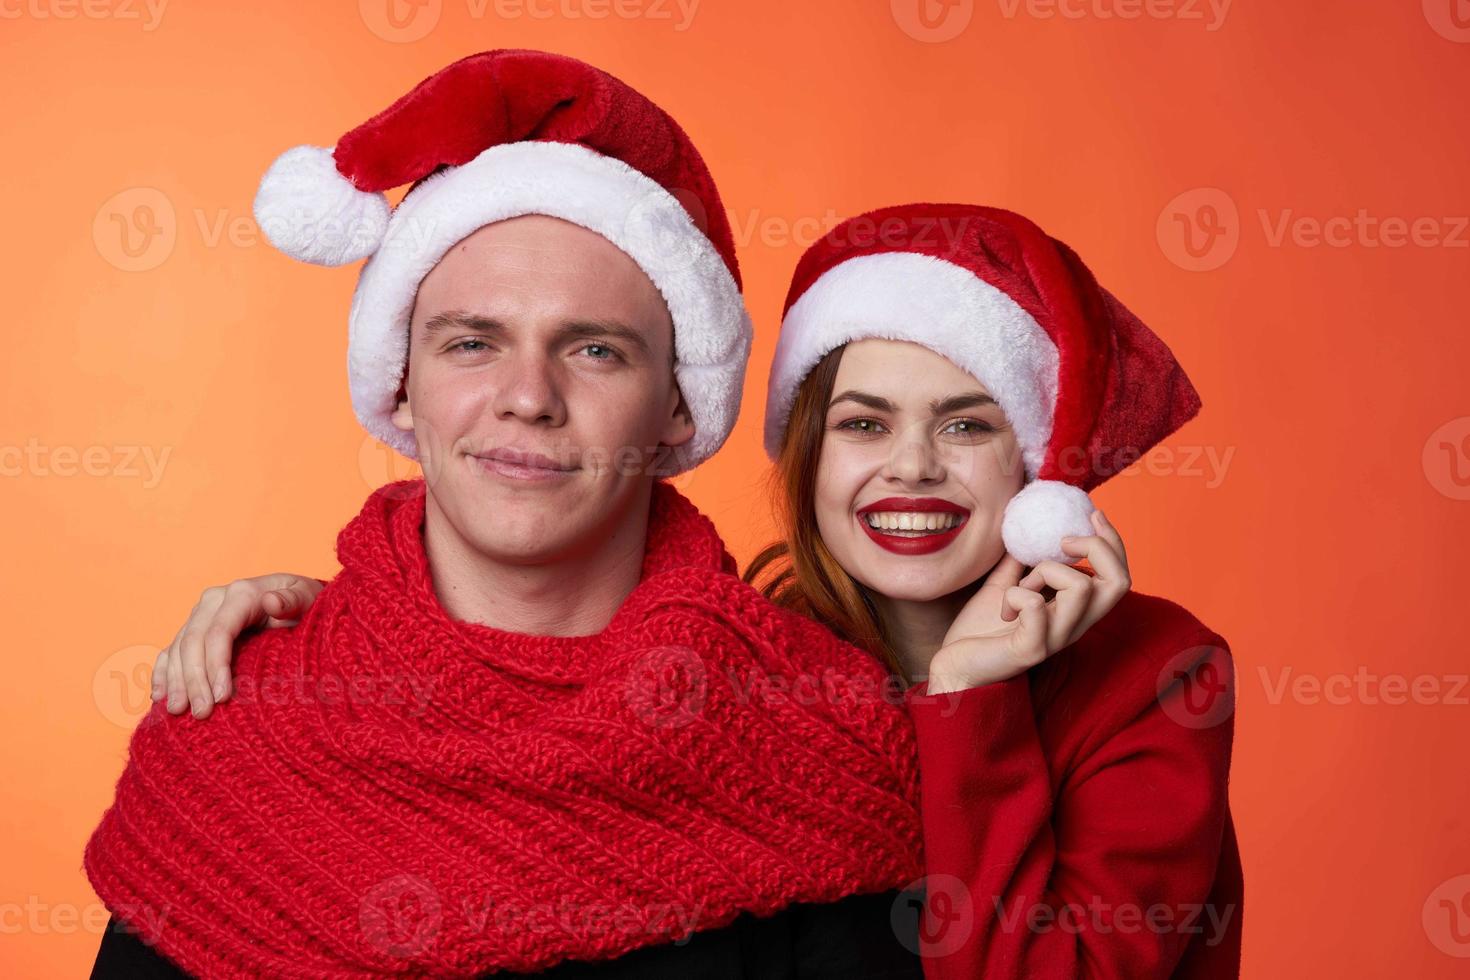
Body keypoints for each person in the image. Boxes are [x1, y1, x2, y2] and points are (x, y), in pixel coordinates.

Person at [144, 205, 1242, 977]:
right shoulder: (788, 668)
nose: (911, 466)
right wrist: (316, 616)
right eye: (864, 422)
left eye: (968, 422)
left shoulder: (1149, 675)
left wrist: (967, 692)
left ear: (1042, 468)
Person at [85, 51, 956, 979]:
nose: (528, 398)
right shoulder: (232, 730)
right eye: (472, 343)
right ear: (403, 384)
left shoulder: (819, 735)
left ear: (677, 406)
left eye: (594, 350)